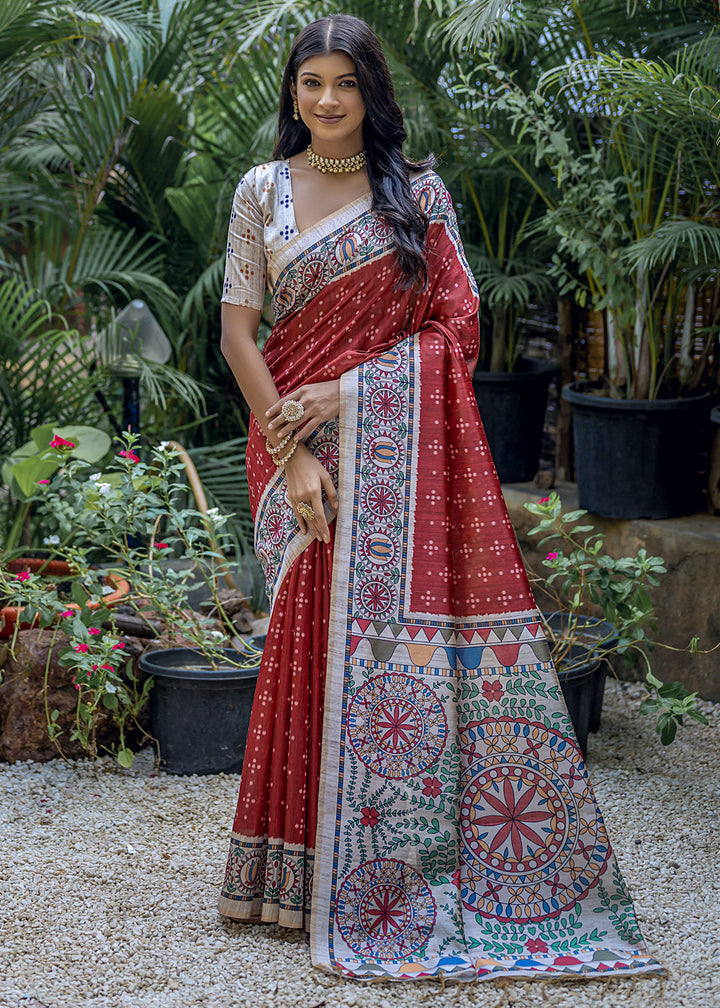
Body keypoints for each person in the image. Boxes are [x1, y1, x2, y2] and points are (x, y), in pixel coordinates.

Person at [217, 14, 663, 984]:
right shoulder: (262, 194)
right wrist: (293, 452)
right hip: (292, 443)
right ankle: (292, 875)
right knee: (304, 631)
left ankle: (384, 874)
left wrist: (350, 393)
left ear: (374, 93)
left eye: (344, 84)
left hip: (386, 442)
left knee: (367, 650)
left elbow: (455, 331)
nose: (326, 101)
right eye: (309, 83)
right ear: (290, 92)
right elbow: (239, 338)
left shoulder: (419, 197)